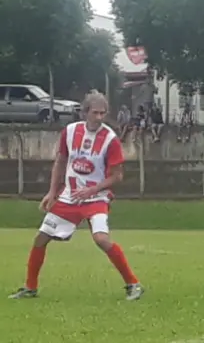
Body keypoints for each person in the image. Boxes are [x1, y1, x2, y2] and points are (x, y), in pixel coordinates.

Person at [9, 92, 144, 301]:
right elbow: (60, 162)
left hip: (96, 198)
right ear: (85, 112)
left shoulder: (110, 139)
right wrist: (52, 192)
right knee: (40, 238)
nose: (99, 117)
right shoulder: (70, 132)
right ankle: (30, 287)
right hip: (69, 197)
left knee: (101, 239)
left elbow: (117, 176)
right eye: (95, 113)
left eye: (103, 113)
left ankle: (133, 284)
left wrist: (93, 190)